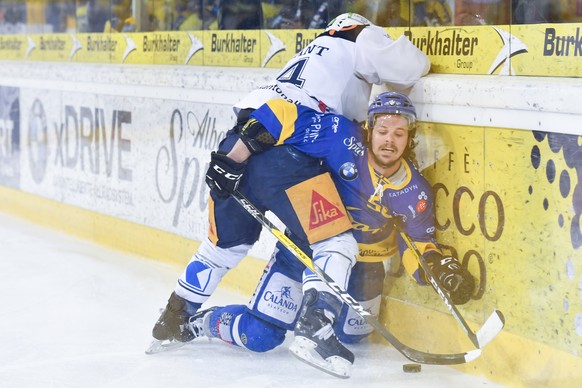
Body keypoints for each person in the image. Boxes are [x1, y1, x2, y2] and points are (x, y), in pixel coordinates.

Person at [150, 12, 430, 377]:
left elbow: (271, 111)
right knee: (335, 240)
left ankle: (175, 317)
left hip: (238, 142)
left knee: (223, 247)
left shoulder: (311, 56)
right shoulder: (360, 37)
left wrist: (231, 158)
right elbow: (414, 64)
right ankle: (316, 329)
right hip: (285, 152)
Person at [180, 92, 475, 378]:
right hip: (306, 249)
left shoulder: (416, 192)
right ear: (369, 131)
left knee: (353, 334)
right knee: (259, 335)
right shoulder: (342, 139)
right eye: (383, 130)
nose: (389, 140)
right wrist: (234, 156)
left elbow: (418, 243)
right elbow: (284, 114)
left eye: (399, 134)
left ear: (409, 140)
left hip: (363, 264)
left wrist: (436, 267)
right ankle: (203, 322)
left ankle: (310, 312)